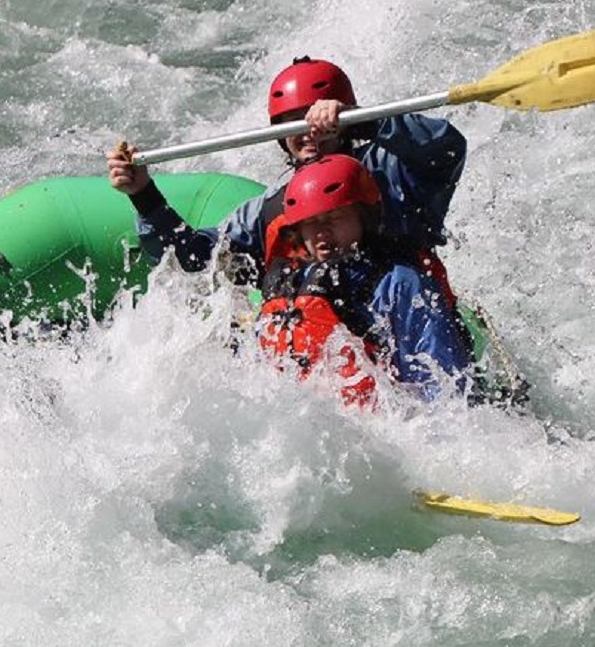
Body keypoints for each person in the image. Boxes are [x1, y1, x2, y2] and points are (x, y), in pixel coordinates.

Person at [107, 56, 466, 286]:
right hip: (325, 349)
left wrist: (364, 123)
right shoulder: (268, 210)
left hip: (408, 316)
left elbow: (446, 148)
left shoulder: (393, 169)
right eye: (290, 123)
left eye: (315, 117)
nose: (307, 130)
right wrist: (144, 195)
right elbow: (193, 260)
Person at [254, 154, 473, 407]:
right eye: (311, 224)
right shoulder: (290, 286)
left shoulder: (400, 284)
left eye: (334, 218)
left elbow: (442, 388)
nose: (322, 233)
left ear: (363, 216)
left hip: (391, 418)